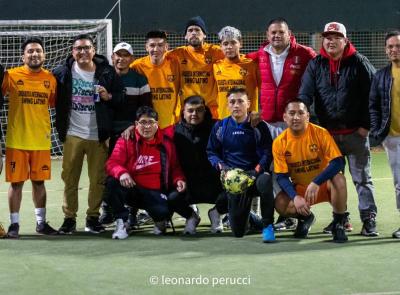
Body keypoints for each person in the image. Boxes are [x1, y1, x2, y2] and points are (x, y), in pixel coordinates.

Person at [299, 21, 378, 236]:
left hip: (355, 133)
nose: (331, 41)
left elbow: (375, 95)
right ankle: (341, 219)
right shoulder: (316, 64)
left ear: (345, 40)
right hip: (329, 136)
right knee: (335, 179)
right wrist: (307, 120)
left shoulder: (359, 62)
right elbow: (305, 95)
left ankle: (369, 219)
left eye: (336, 37)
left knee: (362, 178)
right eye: (327, 37)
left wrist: (366, 126)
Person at [246, 17, 316, 231]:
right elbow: (235, 63)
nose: (276, 35)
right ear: (267, 35)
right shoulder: (259, 55)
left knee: (294, 170)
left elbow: (319, 70)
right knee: (270, 170)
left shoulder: (304, 54)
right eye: (272, 32)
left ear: (289, 33)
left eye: (280, 32)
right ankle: (274, 215)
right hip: (267, 124)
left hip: (293, 123)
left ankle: (299, 213)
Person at [53, 34, 123, 234]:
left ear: (94, 50)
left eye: (86, 48)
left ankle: (92, 217)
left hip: (98, 135)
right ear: (73, 52)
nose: (83, 52)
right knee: (70, 179)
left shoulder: (107, 73)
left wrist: (108, 96)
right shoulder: (62, 72)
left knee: (98, 180)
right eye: (78, 48)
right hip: (72, 133)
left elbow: (120, 97)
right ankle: (69, 219)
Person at [106, 106, 199, 239]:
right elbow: (112, 163)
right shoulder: (125, 140)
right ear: (136, 124)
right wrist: (122, 173)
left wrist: (178, 179)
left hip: (156, 192)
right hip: (132, 189)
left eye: (151, 122)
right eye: (143, 122)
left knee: (162, 213)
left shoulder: (166, 143)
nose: (147, 126)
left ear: (157, 125)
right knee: (112, 183)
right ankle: (122, 222)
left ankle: (165, 219)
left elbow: (175, 167)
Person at [1, 37, 58, 238]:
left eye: (38, 51)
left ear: (44, 54)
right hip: (16, 140)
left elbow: (53, 104)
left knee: (39, 183)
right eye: (30, 51)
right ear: (22, 55)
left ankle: (41, 224)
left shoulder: (50, 79)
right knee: (16, 184)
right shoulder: (11, 75)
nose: (35, 54)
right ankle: (14, 225)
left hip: (41, 141)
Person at [273, 99, 348, 243]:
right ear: (285, 117)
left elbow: (338, 162)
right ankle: (305, 218)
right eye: (292, 113)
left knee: (339, 179)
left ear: (307, 116)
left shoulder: (320, 133)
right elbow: (281, 177)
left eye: (300, 113)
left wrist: (316, 182)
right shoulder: (279, 142)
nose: (296, 117)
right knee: (280, 202)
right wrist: (295, 197)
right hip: (302, 190)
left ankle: (339, 224)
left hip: (324, 185)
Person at [207, 87, 275, 242]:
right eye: (232, 102)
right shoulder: (221, 127)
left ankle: (267, 226)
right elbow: (211, 152)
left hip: (255, 176)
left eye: (240, 101)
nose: (236, 105)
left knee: (265, 181)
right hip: (234, 181)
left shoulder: (259, 126)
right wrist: (223, 168)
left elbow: (267, 153)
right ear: (227, 105)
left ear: (248, 104)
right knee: (238, 232)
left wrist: (256, 171)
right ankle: (250, 218)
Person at [99, 42, 152, 226]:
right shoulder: (104, 77)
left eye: (125, 55)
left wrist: (134, 127)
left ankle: (132, 211)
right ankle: (107, 208)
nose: (121, 58)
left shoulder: (139, 80)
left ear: (132, 59)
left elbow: (145, 108)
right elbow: (100, 107)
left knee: (132, 172)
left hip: (130, 134)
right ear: (112, 57)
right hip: (106, 134)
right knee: (105, 173)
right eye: (117, 55)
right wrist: (103, 132)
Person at [165, 95, 225, 233]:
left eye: (199, 110)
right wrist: (131, 128)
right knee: (172, 198)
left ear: (205, 111)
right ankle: (191, 216)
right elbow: (151, 132)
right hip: (188, 186)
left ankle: (216, 213)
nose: (194, 114)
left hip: (214, 185)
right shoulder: (173, 131)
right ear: (183, 112)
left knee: (236, 190)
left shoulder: (219, 126)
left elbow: (239, 125)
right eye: (190, 110)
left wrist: (253, 119)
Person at [369, 31, 400, 239]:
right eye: (390, 46)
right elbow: (373, 107)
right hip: (393, 138)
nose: (394, 50)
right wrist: (377, 133)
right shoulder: (381, 76)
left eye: (397, 46)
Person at [168, 16, 224, 118]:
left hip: (210, 111)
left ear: (205, 35)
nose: (193, 33)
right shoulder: (177, 54)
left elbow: (236, 57)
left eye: (197, 30)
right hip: (187, 111)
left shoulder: (216, 52)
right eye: (190, 30)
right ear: (185, 36)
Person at [130, 30, 181, 129]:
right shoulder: (137, 66)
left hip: (170, 125)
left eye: (160, 45)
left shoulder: (175, 64)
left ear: (166, 47)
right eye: (152, 45)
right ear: (146, 47)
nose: (156, 49)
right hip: (146, 127)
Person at [213, 26, 259, 119]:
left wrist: (259, 112)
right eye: (225, 44)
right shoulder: (216, 66)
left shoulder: (252, 64)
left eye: (233, 43)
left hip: (248, 120)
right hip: (224, 120)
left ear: (240, 44)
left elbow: (265, 90)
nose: (229, 47)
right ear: (220, 46)